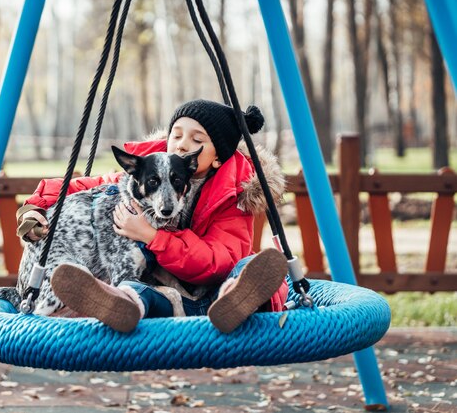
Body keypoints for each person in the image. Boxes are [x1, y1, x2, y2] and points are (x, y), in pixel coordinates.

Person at [18, 99, 289, 333]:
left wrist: (153, 237)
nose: (182, 145)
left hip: (216, 286)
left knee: (251, 268)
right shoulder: (149, 169)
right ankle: (121, 304)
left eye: (196, 140)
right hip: (171, 294)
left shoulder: (233, 197)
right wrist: (33, 207)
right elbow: (86, 184)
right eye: (177, 135)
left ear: (217, 157)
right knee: (140, 293)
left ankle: (239, 300)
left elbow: (217, 261)